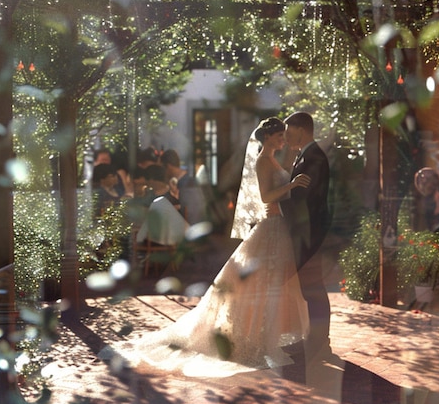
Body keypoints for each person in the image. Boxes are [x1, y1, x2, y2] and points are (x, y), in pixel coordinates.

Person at [122, 117, 310, 375]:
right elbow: (266, 197)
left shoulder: (274, 159)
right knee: (260, 283)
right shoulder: (263, 161)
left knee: (270, 283)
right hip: (272, 225)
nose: (283, 140)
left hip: (280, 226)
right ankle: (252, 337)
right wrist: (292, 184)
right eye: (279, 136)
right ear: (268, 138)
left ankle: (265, 333)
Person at [279, 111, 332, 363]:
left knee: (314, 289)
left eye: (289, 131)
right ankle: (315, 338)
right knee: (309, 289)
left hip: (310, 233)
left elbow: (305, 201)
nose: (287, 137)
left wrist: (279, 207)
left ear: (301, 129)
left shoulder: (314, 158)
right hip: (304, 232)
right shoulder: (304, 155)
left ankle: (320, 342)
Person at [161, 149, 208, 225]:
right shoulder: (185, 182)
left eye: (162, 168)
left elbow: (192, 214)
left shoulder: (188, 185)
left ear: (168, 166)